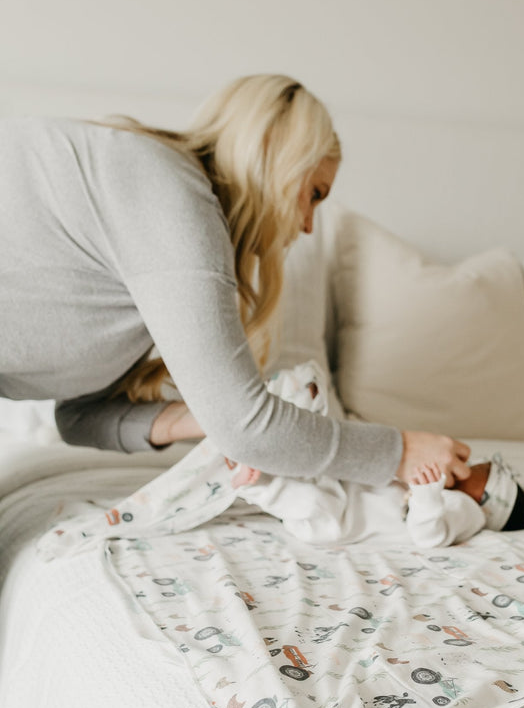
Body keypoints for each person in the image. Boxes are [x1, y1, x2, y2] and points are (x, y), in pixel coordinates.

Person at [0, 75, 471, 488]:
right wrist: (401, 452)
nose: (309, 226)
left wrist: (207, 418)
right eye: (314, 194)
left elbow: (80, 417)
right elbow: (248, 428)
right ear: (275, 154)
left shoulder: (151, 219)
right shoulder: (169, 194)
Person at [42, 362, 524, 555]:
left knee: (305, 502)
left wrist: (426, 492)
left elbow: (430, 536)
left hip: (337, 525)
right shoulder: (459, 496)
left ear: (488, 497)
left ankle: (255, 481)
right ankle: (253, 472)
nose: (468, 470)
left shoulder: (467, 514)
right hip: (347, 495)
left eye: (481, 473)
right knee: (309, 476)